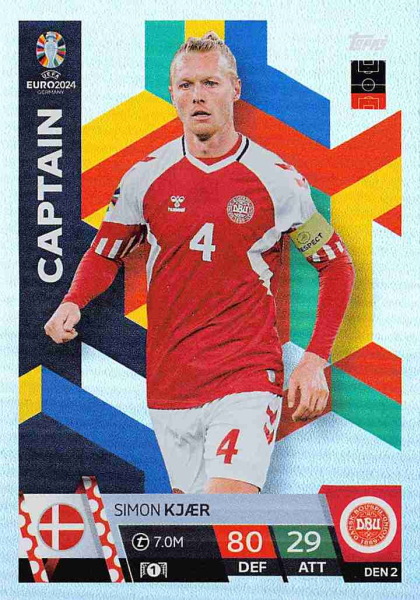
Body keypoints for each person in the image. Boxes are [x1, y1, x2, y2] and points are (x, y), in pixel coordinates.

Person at [45, 32, 355, 495]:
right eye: (186, 85)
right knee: (197, 530)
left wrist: (314, 359)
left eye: (210, 83)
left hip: (246, 375)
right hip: (170, 383)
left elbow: (336, 265)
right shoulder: (144, 176)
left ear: (235, 89)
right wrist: (73, 300)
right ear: (172, 94)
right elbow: (106, 254)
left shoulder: (277, 180)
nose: (197, 96)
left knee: (226, 511)